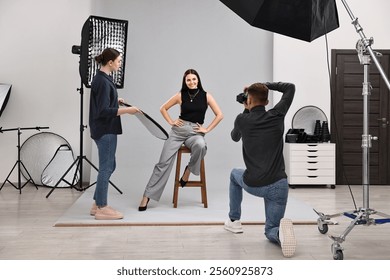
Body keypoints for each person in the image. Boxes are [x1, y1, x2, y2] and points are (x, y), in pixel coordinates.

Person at [224, 81, 297, 257]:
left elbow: (234, 137)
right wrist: (264, 85)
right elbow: (290, 88)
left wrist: (245, 108)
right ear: (266, 102)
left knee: (235, 174)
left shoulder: (242, 120)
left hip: (255, 184)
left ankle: (234, 220)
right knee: (270, 228)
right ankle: (278, 234)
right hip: (279, 185)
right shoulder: (277, 114)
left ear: (248, 100)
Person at [138, 69, 223, 211]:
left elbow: (219, 115)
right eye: (188, 80)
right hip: (178, 132)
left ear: (198, 80)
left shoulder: (206, 96)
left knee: (201, 145)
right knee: (162, 163)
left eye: (194, 79)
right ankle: (146, 196)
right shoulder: (180, 95)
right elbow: (163, 108)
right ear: (185, 81)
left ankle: (188, 170)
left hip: (195, 133)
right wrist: (171, 121)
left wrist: (207, 129)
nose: (192, 82)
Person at [89, 48, 140, 220]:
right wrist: (127, 110)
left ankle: (97, 203)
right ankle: (102, 208)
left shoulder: (102, 78)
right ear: (110, 63)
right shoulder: (103, 82)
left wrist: (115, 99)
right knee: (106, 167)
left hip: (101, 129)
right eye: (118, 61)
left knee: (110, 165)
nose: (120, 64)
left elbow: (102, 102)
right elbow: (103, 111)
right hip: (106, 129)